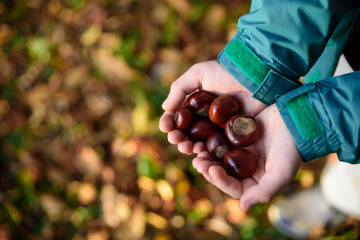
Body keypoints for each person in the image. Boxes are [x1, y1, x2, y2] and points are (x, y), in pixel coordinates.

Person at [159, 0, 360, 227]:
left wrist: (329, 119)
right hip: (345, 43)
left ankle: (344, 195)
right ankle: (339, 192)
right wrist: (258, 59)